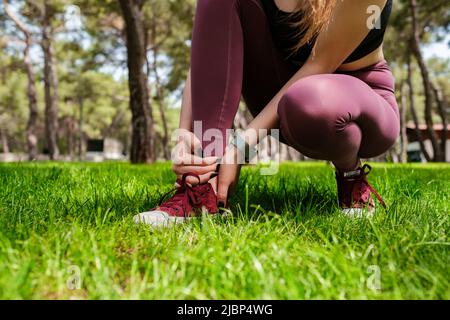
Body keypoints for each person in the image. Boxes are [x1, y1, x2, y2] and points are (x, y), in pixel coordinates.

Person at [134, 0, 399, 227]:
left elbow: (320, 63)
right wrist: (187, 139)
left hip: (357, 101)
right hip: (282, 94)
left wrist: (238, 149)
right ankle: (200, 187)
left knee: (310, 100)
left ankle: (351, 174)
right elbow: (210, 52)